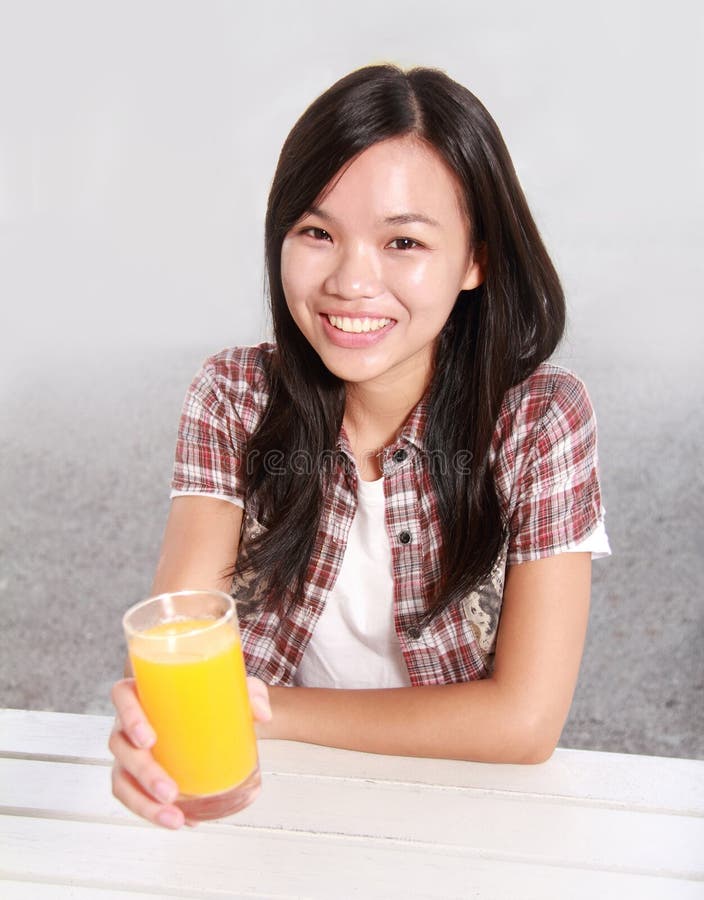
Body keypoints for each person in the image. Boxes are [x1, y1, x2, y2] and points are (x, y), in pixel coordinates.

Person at [110, 62, 611, 829]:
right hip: (277, 801)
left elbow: (523, 724)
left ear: (477, 259)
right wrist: (152, 727)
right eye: (317, 233)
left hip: (469, 815)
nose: (351, 281)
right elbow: (184, 634)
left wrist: (260, 708)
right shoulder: (233, 398)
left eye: (403, 241)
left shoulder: (539, 421)